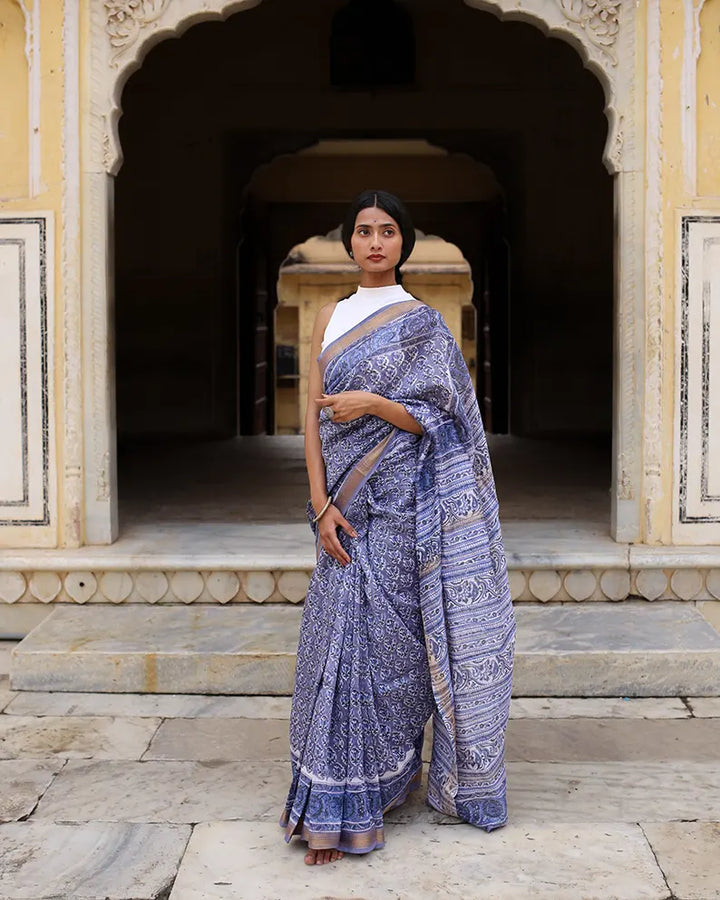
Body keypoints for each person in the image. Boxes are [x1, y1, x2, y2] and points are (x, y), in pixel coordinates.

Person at [280, 189, 516, 866]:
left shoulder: (424, 324)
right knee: (334, 656)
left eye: (387, 231)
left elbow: (451, 421)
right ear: (348, 243)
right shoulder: (330, 315)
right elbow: (313, 421)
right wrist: (320, 506)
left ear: (402, 244)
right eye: (363, 231)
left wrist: (380, 402)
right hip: (344, 516)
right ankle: (334, 804)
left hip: (402, 517)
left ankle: (384, 780)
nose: (375, 242)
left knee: (392, 662)